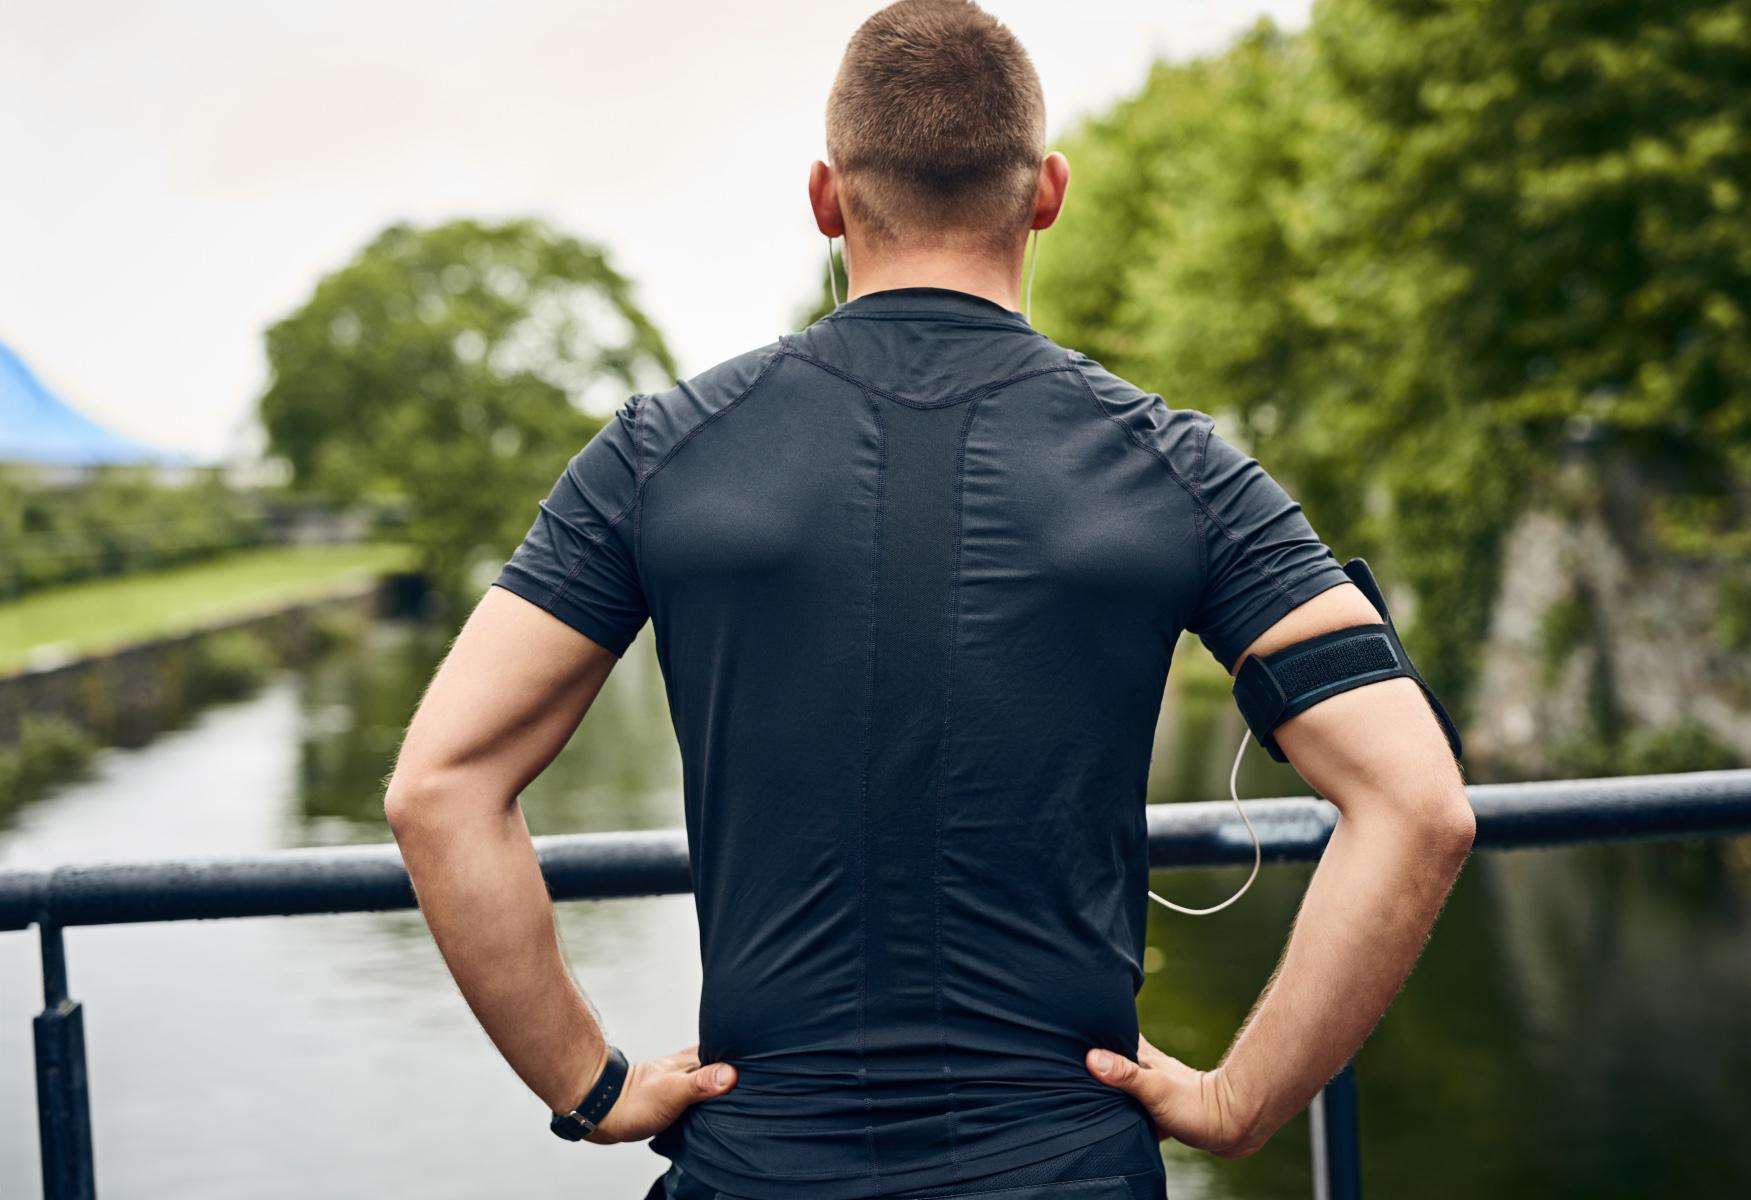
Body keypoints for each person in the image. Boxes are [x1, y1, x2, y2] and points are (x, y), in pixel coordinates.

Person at [383, 3, 1476, 1197]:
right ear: (1046, 194)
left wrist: (587, 1085)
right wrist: (1240, 1100)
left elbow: (442, 785)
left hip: (763, 1163)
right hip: (1069, 1166)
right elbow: (1417, 804)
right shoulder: (1178, 469)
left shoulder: (661, 452)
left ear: (826, 198)